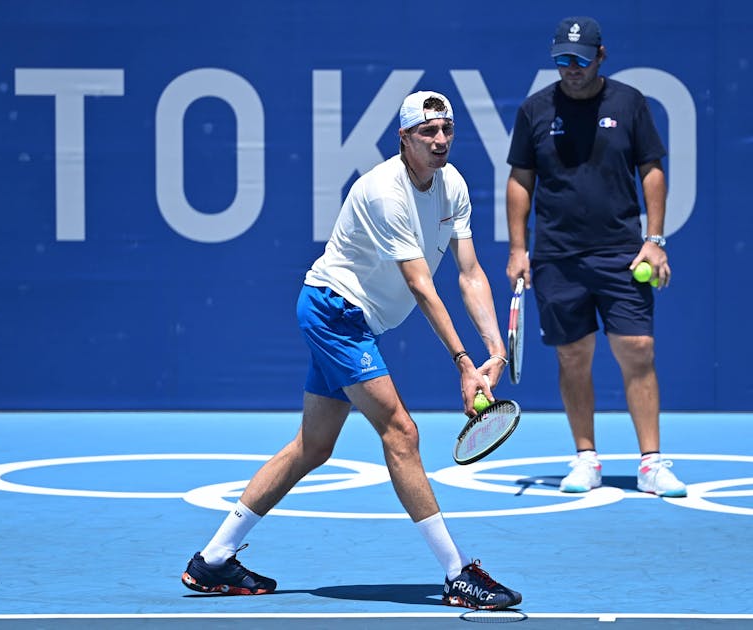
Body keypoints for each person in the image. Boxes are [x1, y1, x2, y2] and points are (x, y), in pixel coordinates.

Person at [181, 91, 522, 610]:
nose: (439, 140)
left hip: (352, 318)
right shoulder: (384, 192)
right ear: (403, 139)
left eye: (446, 129)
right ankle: (458, 574)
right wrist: (462, 363)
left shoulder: (452, 186)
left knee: (313, 447)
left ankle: (213, 561)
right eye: (427, 132)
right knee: (401, 432)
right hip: (334, 312)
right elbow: (423, 286)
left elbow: (470, 272)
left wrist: (494, 349)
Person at [504, 16, 687, 498]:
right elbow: (521, 180)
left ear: (600, 57)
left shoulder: (629, 103)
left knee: (638, 350)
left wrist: (656, 239)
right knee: (573, 355)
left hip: (622, 254)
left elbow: (651, 170)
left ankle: (651, 463)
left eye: (580, 60)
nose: (571, 69)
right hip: (557, 257)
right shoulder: (534, 110)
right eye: (562, 60)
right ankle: (586, 458)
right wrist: (519, 248)